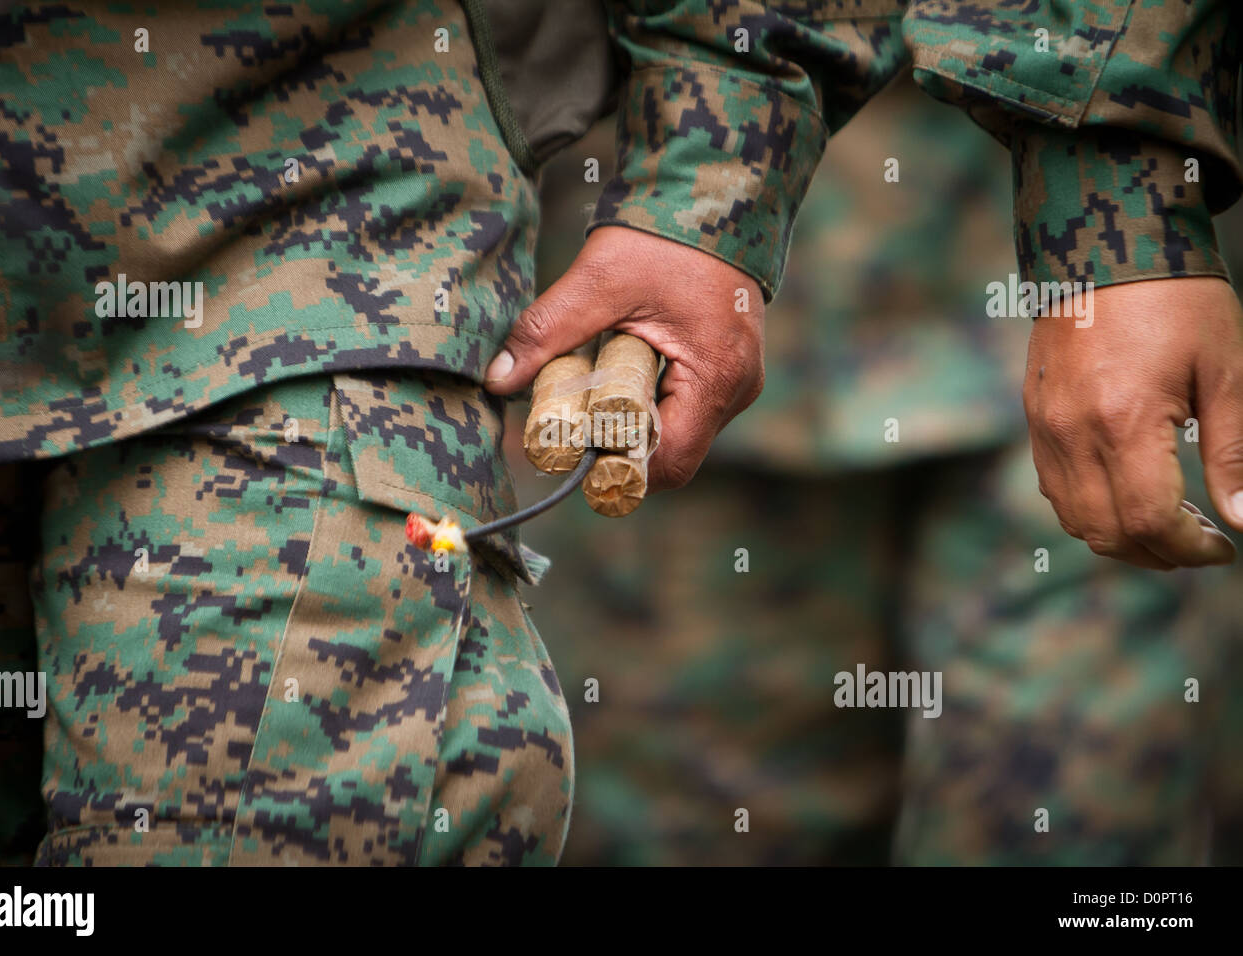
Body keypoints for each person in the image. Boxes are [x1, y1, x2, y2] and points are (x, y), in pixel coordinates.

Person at [517, 77, 1243, 865]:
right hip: (683, 338)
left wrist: (1128, 243)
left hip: (1053, 329)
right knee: (687, 826)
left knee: (1082, 834)